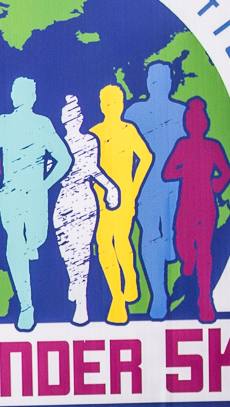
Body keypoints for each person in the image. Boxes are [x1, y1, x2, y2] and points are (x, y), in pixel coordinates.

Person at [0, 76, 71, 332]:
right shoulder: (1, 124)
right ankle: (26, 307)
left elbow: (64, 159)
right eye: (17, 91)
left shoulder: (42, 124)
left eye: (24, 92)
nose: (20, 96)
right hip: (12, 194)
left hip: (36, 194)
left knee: (37, 238)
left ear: (32, 97)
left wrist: (45, 184)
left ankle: (31, 246)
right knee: (15, 245)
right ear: (13, 96)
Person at [124, 60, 189, 320]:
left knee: (170, 234)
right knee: (150, 236)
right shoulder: (134, 113)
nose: (157, 84)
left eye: (162, 79)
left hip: (177, 187)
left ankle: (171, 238)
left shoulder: (182, 112)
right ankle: (159, 295)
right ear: (147, 83)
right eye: (153, 79)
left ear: (170, 82)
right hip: (145, 187)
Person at [160, 96, 230, 325]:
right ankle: (188, 259)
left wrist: (216, 185)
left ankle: (205, 299)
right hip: (185, 205)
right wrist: (187, 171)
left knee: (204, 251)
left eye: (198, 121)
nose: (195, 125)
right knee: (182, 244)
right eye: (191, 121)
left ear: (205, 123)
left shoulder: (213, 146)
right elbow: (168, 172)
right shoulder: (183, 145)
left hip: (206, 205)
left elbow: (226, 173)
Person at [53, 93, 121, 326]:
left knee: (82, 251)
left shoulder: (90, 141)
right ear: (63, 119)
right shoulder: (56, 142)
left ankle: (81, 303)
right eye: (70, 114)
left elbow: (93, 169)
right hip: (64, 200)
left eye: (78, 114)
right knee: (66, 249)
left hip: (84, 199)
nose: (75, 118)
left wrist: (110, 187)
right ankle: (74, 280)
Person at [88, 83, 154, 323]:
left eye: (116, 102)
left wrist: (134, 188)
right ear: (101, 106)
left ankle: (131, 275)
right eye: (107, 103)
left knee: (121, 239)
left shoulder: (129, 130)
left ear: (122, 104)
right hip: (99, 200)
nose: (112, 107)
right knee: (104, 244)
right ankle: (117, 298)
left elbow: (146, 157)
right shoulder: (95, 133)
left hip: (125, 197)